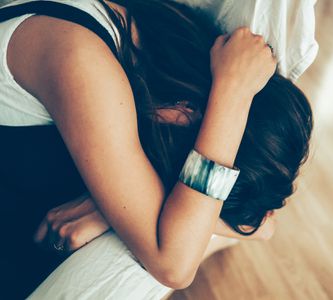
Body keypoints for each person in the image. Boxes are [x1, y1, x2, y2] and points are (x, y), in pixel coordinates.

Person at [0, 0, 313, 298]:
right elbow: (175, 264)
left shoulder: (159, 46)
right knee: (154, 255)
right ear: (187, 112)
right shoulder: (82, 62)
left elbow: (264, 226)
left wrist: (116, 212)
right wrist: (232, 95)